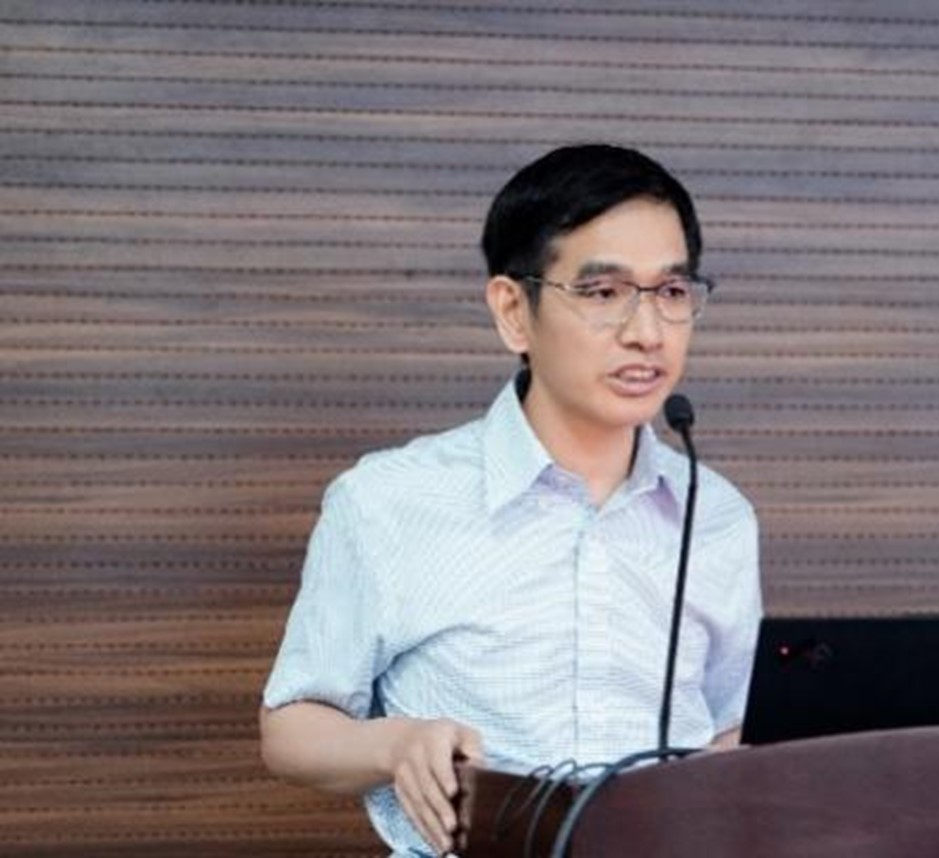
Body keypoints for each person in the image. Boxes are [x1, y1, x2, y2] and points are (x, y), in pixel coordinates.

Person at [259, 144, 762, 857]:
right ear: (513, 311)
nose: (647, 332)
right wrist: (396, 745)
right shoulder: (386, 499)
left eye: (672, 292)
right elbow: (290, 729)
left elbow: (727, 726)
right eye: (603, 293)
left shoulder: (717, 515)